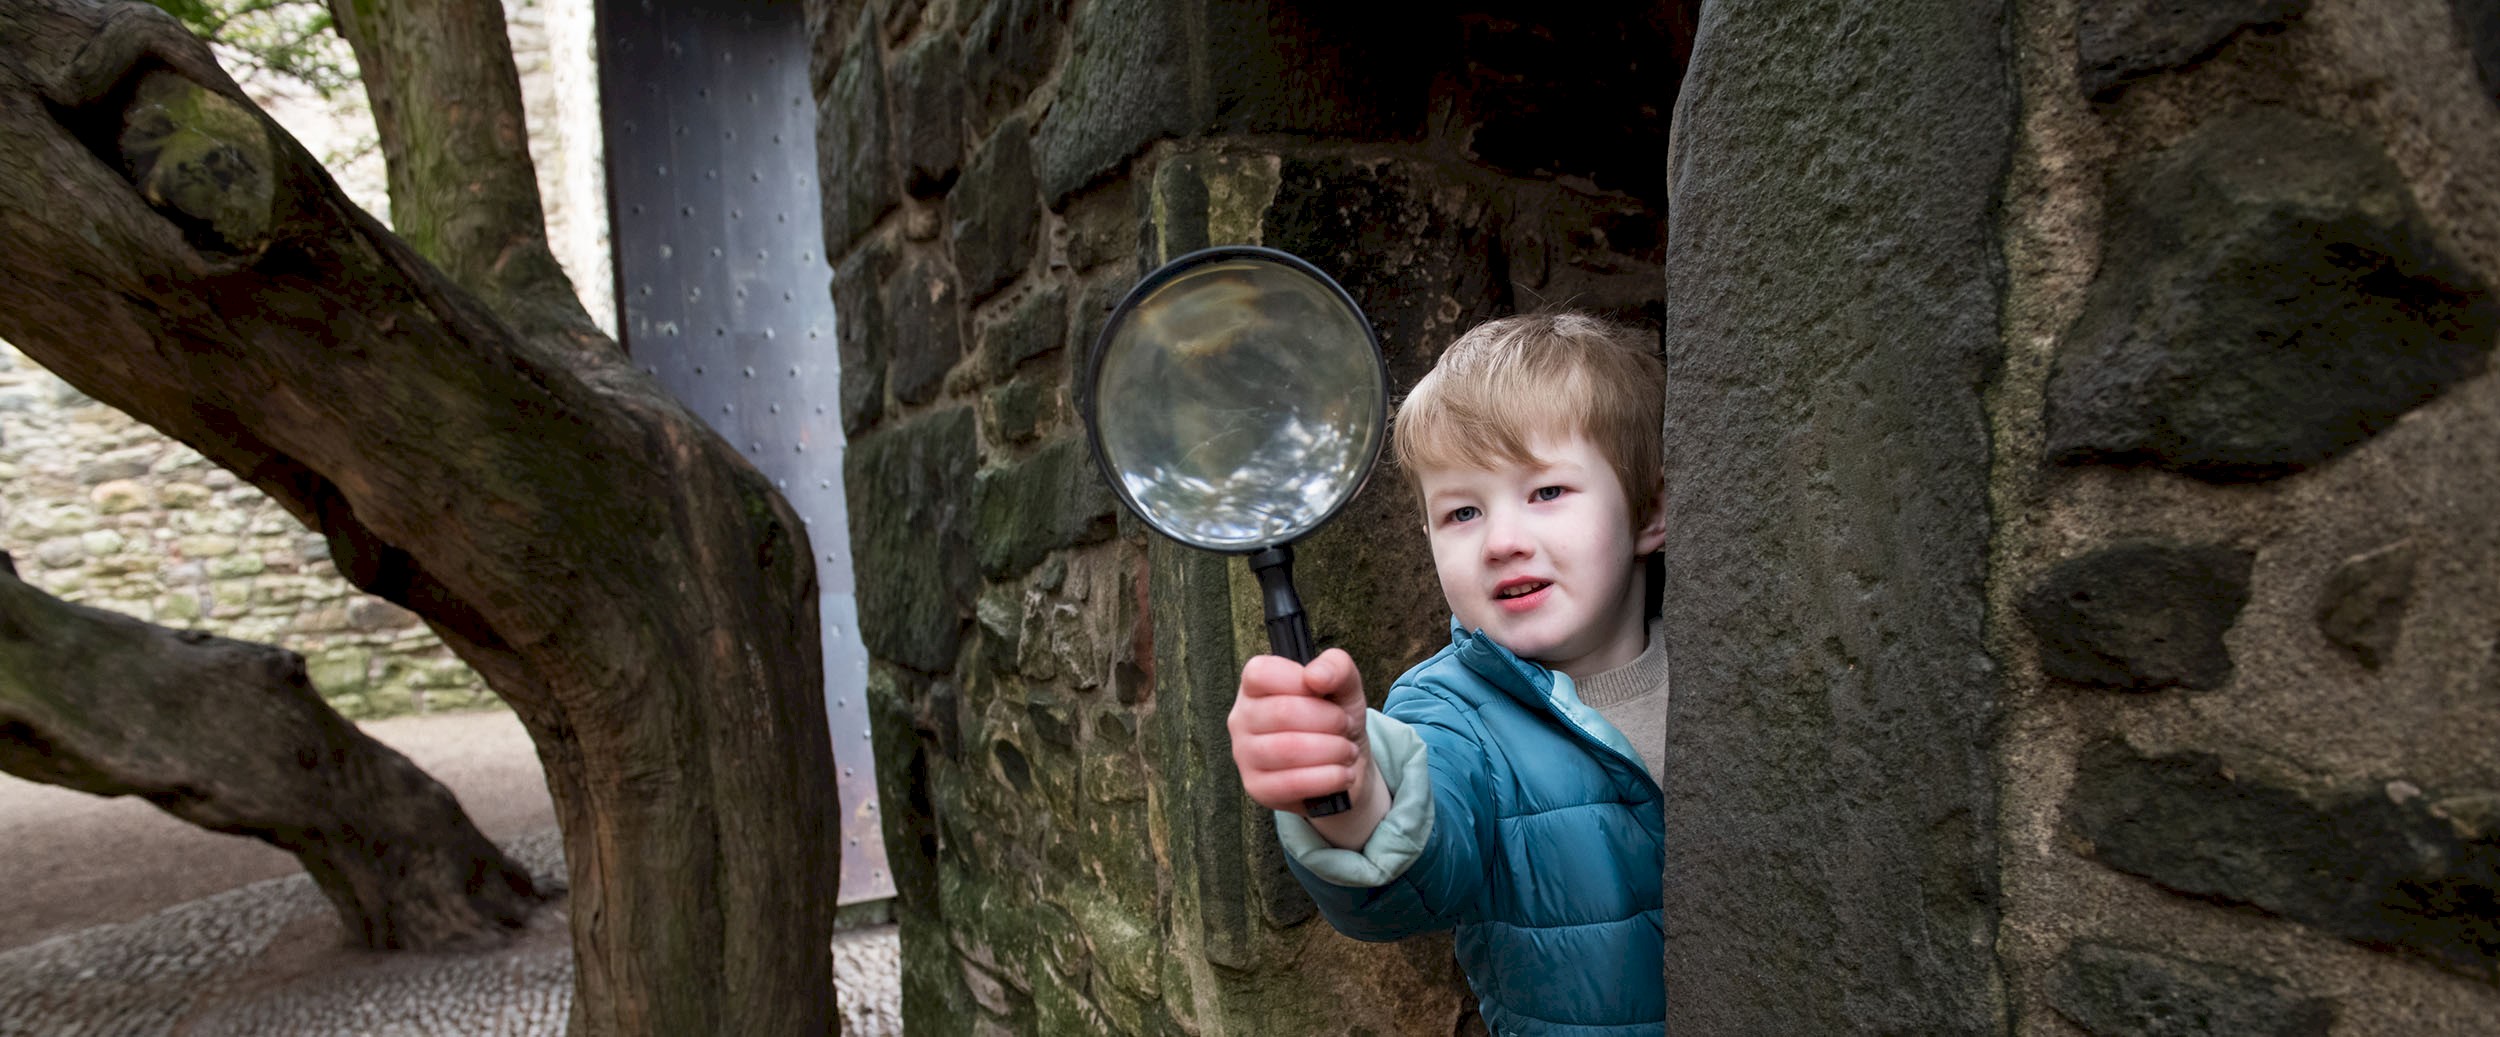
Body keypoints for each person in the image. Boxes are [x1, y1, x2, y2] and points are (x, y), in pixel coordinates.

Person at [1228, 311, 1667, 1036]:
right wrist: (1347, 786)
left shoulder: (1734, 665)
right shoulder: (1451, 711)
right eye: (1462, 510)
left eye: (1547, 492)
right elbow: (1421, 848)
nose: (1501, 540)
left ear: (1650, 511)